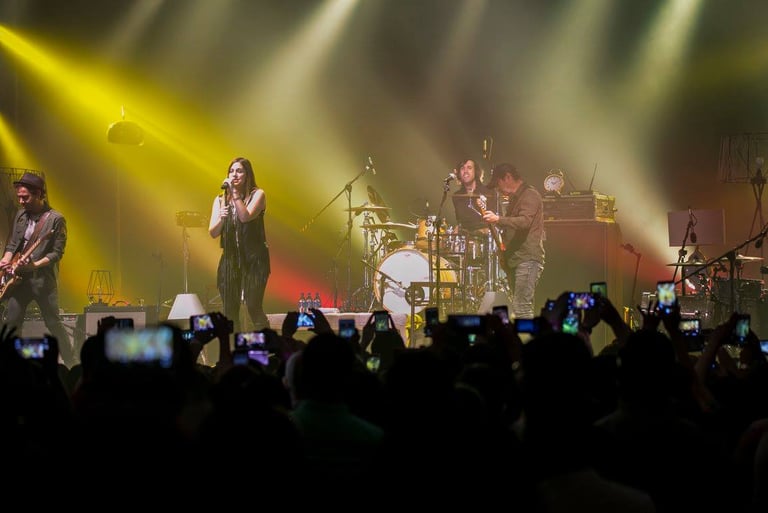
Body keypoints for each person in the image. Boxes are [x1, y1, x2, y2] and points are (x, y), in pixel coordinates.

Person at [0, 172, 75, 367]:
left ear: (39, 194)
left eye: (25, 197)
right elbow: (13, 244)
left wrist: (34, 265)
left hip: (42, 281)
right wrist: (5, 260)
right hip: (19, 280)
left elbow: (56, 254)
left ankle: (71, 364)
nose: (21, 201)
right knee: (11, 323)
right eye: (19, 197)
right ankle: (13, 366)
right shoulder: (20, 215)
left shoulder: (56, 219)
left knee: (53, 324)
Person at [209, 157, 270, 332]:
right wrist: (222, 218)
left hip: (254, 258)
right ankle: (233, 346)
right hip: (230, 259)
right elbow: (213, 232)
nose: (234, 175)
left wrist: (234, 194)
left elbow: (245, 217)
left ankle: (266, 344)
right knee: (229, 311)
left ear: (247, 175)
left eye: (239, 171)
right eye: (231, 171)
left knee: (253, 306)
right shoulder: (220, 200)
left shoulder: (258, 195)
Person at [483, 163, 545, 319]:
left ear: (507, 177)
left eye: (498, 184)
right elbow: (511, 228)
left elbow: (525, 222)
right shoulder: (514, 199)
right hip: (516, 259)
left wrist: (498, 219)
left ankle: (526, 335)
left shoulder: (530, 195)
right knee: (520, 307)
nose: (498, 189)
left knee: (522, 307)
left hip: (527, 258)